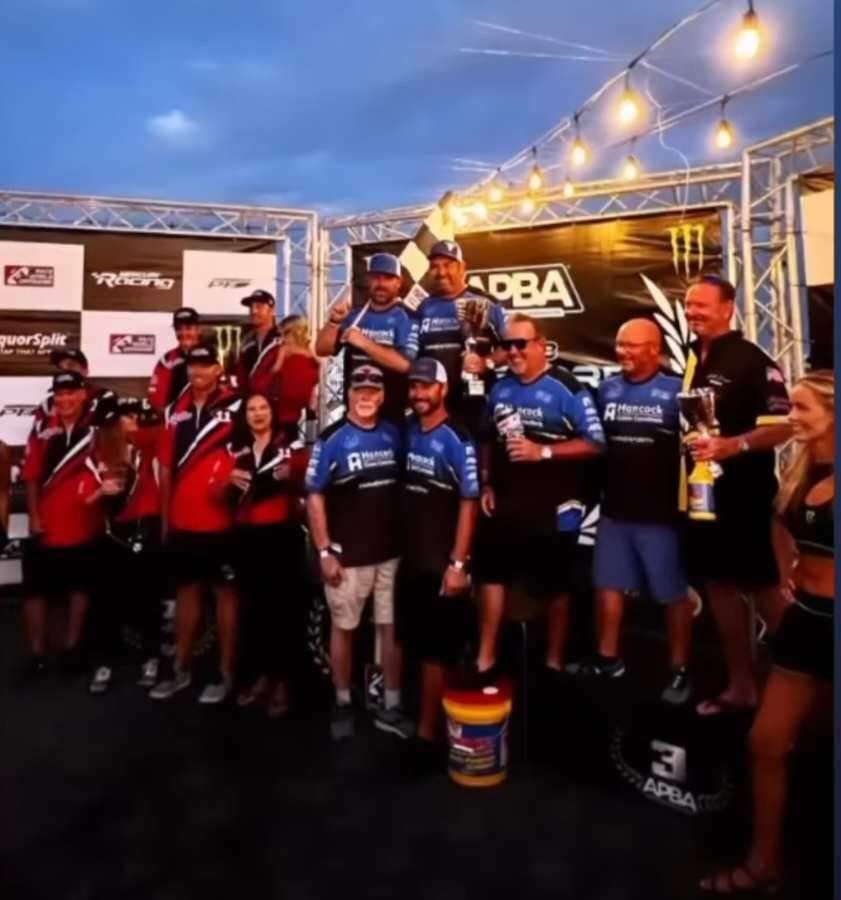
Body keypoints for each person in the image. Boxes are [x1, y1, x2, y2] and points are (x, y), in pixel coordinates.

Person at [700, 370, 834, 895]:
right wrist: (786, 575)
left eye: (802, 409)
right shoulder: (803, 466)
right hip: (805, 622)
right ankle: (764, 863)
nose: (790, 418)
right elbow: (780, 523)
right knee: (766, 742)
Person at [473, 314, 605, 681]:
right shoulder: (500, 388)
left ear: (541, 345)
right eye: (507, 345)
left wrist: (543, 451)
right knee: (491, 574)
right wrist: (486, 482)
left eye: (521, 344)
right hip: (506, 500)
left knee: (556, 585)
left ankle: (554, 662)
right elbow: (486, 438)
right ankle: (486, 658)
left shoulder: (568, 387)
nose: (513, 352)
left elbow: (596, 443)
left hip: (553, 505)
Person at [683, 276, 792, 716]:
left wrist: (735, 445)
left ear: (728, 307)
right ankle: (742, 687)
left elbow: (783, 428)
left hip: (745, 497)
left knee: (765, 589)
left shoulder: (753, 360)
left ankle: (807, 682)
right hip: (704, 494)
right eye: (688, 305)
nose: (692, 312)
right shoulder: (693, 356)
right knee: (719, 587)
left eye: (702, 305)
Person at [577, 318, 693, 704]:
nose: (622, 352)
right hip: (615, 511)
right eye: (619, 345)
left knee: (672, 594)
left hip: (661, 516)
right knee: (608, 586)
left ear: (654, 349)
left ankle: (680, 668)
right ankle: (608, 660)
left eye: (631, 345)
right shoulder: (606, 389)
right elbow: (592, 444)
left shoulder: (677, 391)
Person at [305, 364, 410, 740]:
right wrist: (324, 551)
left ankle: (392, 703)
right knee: (344, 628)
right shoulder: (331, 438)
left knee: (391, 629)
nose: (366, 396)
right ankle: (343, 700)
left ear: (382, 396)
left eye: (373, 391)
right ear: (348, 394)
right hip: (347, 556)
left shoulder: (394, 434)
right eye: (359, 390)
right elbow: (314, 496)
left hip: (390, 553)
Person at [396, 358, 480, 753]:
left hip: (440, 564)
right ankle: (420, 723)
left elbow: (469, 502)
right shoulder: (409, 429)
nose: (418, 393)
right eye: (414, 386)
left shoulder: (458, 439)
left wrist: (458, 564)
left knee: (436, 653)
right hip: (410, 559)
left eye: (426, 386)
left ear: (443, 389)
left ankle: (429, 736)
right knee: (412, 644)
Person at [150, 344, 242, 704]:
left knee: (226, 597)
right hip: (184, 520)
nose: (198, 372)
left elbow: (252, 454)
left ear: (218, 369)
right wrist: (166, 517)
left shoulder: (238, 405)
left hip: (225, 523)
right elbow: (165, 468)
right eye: (193, 366)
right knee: (186, 594)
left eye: (205, 365)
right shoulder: (176, 410)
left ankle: (226, 674)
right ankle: (181, 669)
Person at [226, 392, 309, 717]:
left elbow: (312, 479)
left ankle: (283, 683)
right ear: (244, 415)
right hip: (248, 538)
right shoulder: (235, 449)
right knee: (254, 611)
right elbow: (221, 490)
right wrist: (227, 479)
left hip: (283, 537)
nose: (258, 413)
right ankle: (260, 677)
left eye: (263, 408)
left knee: (284, 612)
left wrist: (295, 474)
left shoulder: (292, 445)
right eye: (252, 409)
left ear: (272, 412)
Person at [20, 371, 106, 678]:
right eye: (59, 394)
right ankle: (37, 655)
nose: (65, 399)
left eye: (71, 393)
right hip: (46, 524)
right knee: (36, 592)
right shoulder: (42, 428)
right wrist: (34, 515)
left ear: (83, 395)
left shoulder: (98, 430)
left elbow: (111, 472)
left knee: (79, 590)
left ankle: (72, 650)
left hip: (84, 524)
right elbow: (31, 476)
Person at [87, 397, 165, 694]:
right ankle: (105, 661)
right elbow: (84, 497)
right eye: (125, 417)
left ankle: (151, 658)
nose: (132, 421)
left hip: (144, 528)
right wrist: (99, 492)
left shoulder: (148, 448)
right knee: (106, 601)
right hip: (111, 533)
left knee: (147, 597)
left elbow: (162, 432)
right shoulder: (97, 452)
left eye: (134, 416)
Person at [407, 240, 507, 434]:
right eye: (435, 267)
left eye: (448, 265)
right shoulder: (424, 307)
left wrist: (485, 362)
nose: (441, 272)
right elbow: (412, 355)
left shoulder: (486, 302)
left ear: (462, 267)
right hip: (435, 405)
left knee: (478, 448)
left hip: (476, 401)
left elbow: (512, 346)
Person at [315, 253, 415, 424]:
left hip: (392, 415)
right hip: (355, 413)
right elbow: (322, 349)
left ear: (398, 282)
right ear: (368, 280)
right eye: (376, 277)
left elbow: (405, 365)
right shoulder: (354, 316)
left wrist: (364, 342)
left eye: (388, 278)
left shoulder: (408, 316)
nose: (381, 284)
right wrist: (334, 322)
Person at [147, 307, 202, 412]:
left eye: (188, 328)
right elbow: (156, 399)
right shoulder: (167, 360)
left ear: (198, 330)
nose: (183, 333)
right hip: (176, 418)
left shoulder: (213, 357)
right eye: (179, 329)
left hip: (207, 418)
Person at [271, 313, 320, 429]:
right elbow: (276, 369)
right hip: (295, 391)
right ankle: (311, 410)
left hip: (297, 390)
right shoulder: (303, 348)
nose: (283, 338)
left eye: (285, 334)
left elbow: (276, 368)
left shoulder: (290, 348)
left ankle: (310, 411)